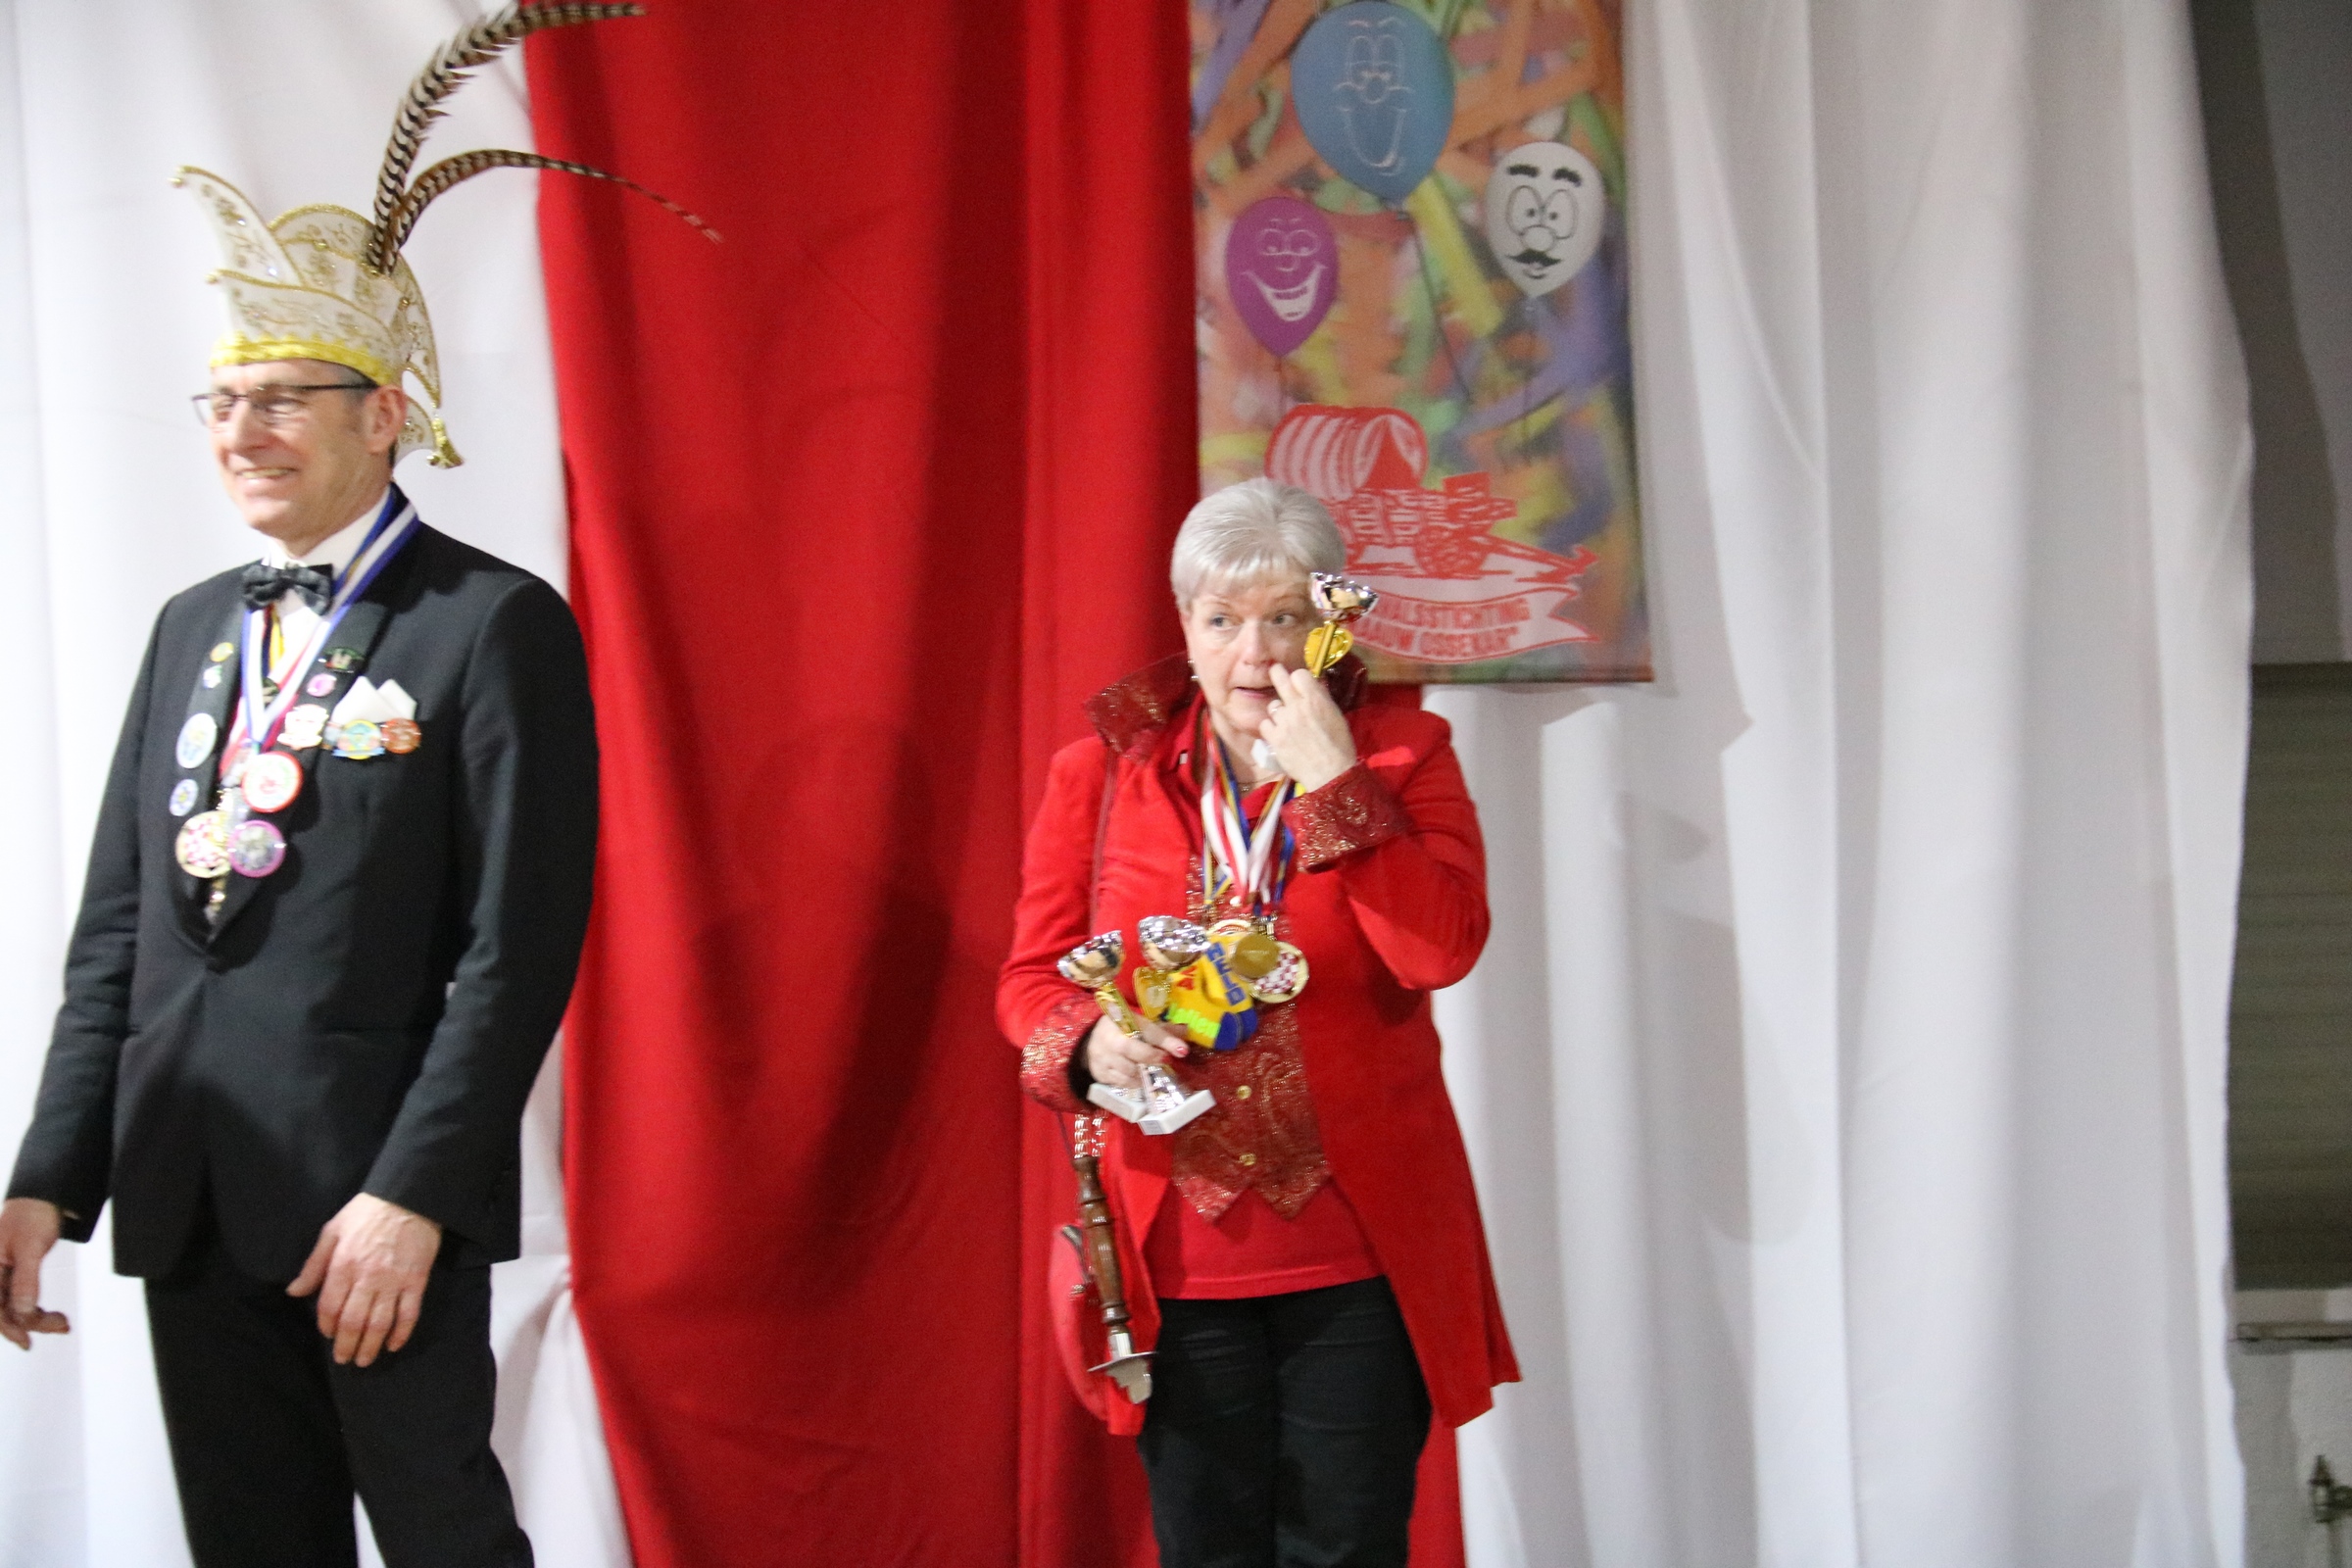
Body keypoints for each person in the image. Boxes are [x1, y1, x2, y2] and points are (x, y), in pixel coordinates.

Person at [0, 10, 691, 1563]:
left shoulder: (492, 623)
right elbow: (119, 934)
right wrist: (50, 1176)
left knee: (446, 1538)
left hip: (372, 1208)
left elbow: (515, 948)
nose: (241, 433)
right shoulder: (189, 624)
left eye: (283, 399)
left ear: (384, 415)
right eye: (222, 403)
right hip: (187, 1189)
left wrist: (417, 1195)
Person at [1000, 477, 1520, 1567]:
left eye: (1283, 617)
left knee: (1350, 1546)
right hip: (1173, 1260)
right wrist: (1091, 1043)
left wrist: (1336, 785)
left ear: (1327, 624)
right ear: (1184, 625)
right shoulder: (1101, 776)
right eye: (1222, 618)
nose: (1254, 652)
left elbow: (1437, 952)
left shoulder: (1404, 754)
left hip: (1361, 1260)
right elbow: (1032, 982)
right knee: (1207, 1550)